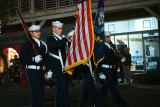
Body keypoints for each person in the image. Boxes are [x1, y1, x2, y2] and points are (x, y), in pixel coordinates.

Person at [19, 25, 48, 107]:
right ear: (31, 33)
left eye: (39, 31)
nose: (39, 33)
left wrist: (48, 70)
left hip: (42, 71)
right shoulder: (27, 44)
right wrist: (33, 59)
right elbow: (22, 59)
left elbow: (46, 58)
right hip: (32, 71)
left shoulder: (43, 44)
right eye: (36, 31)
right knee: (37, 94)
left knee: (41, 94)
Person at [97, 31, 128, 107]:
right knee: (112, 88)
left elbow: (113, 58)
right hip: (105, 70)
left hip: (111, 70)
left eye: (109, 37)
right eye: (107, 37)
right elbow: (98, 60)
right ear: (103, 38)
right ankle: (120, 103)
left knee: (104, 89)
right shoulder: (102, 47)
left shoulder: (111, 46)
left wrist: (120, 60)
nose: (109, 38)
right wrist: (100, 72)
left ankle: (97, 103)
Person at [46, 21, 70, 107]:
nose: (61, 30)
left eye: (61, 29)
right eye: (59, 28)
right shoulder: (50, 38)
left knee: (61, 90)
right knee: (63, 90)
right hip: (56, 68)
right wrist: (66, 37)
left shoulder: (62, 38)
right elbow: (58, 45)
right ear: (53, 29)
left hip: (64, 68)